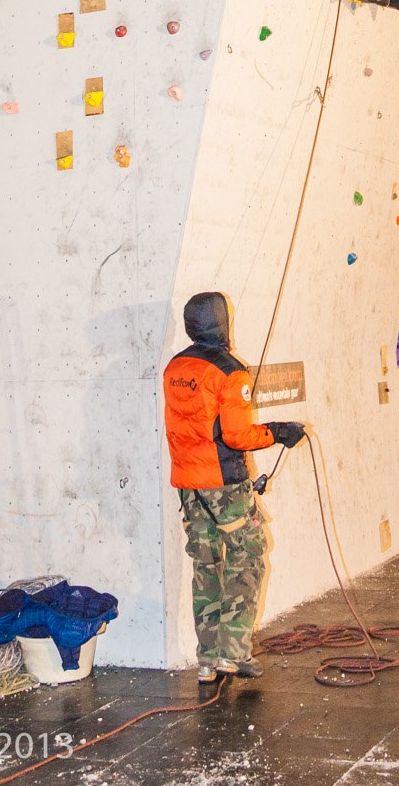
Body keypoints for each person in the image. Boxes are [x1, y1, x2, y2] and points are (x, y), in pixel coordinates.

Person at [162, 291, 306, 684]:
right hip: (224, 488)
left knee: (206, 567)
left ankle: (208, 660)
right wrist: (280, 432)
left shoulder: (175, 367)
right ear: (222, 323)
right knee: (248, 558)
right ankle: (234, 653)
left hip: (189, 488)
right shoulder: (230, 372)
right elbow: (238, 435)